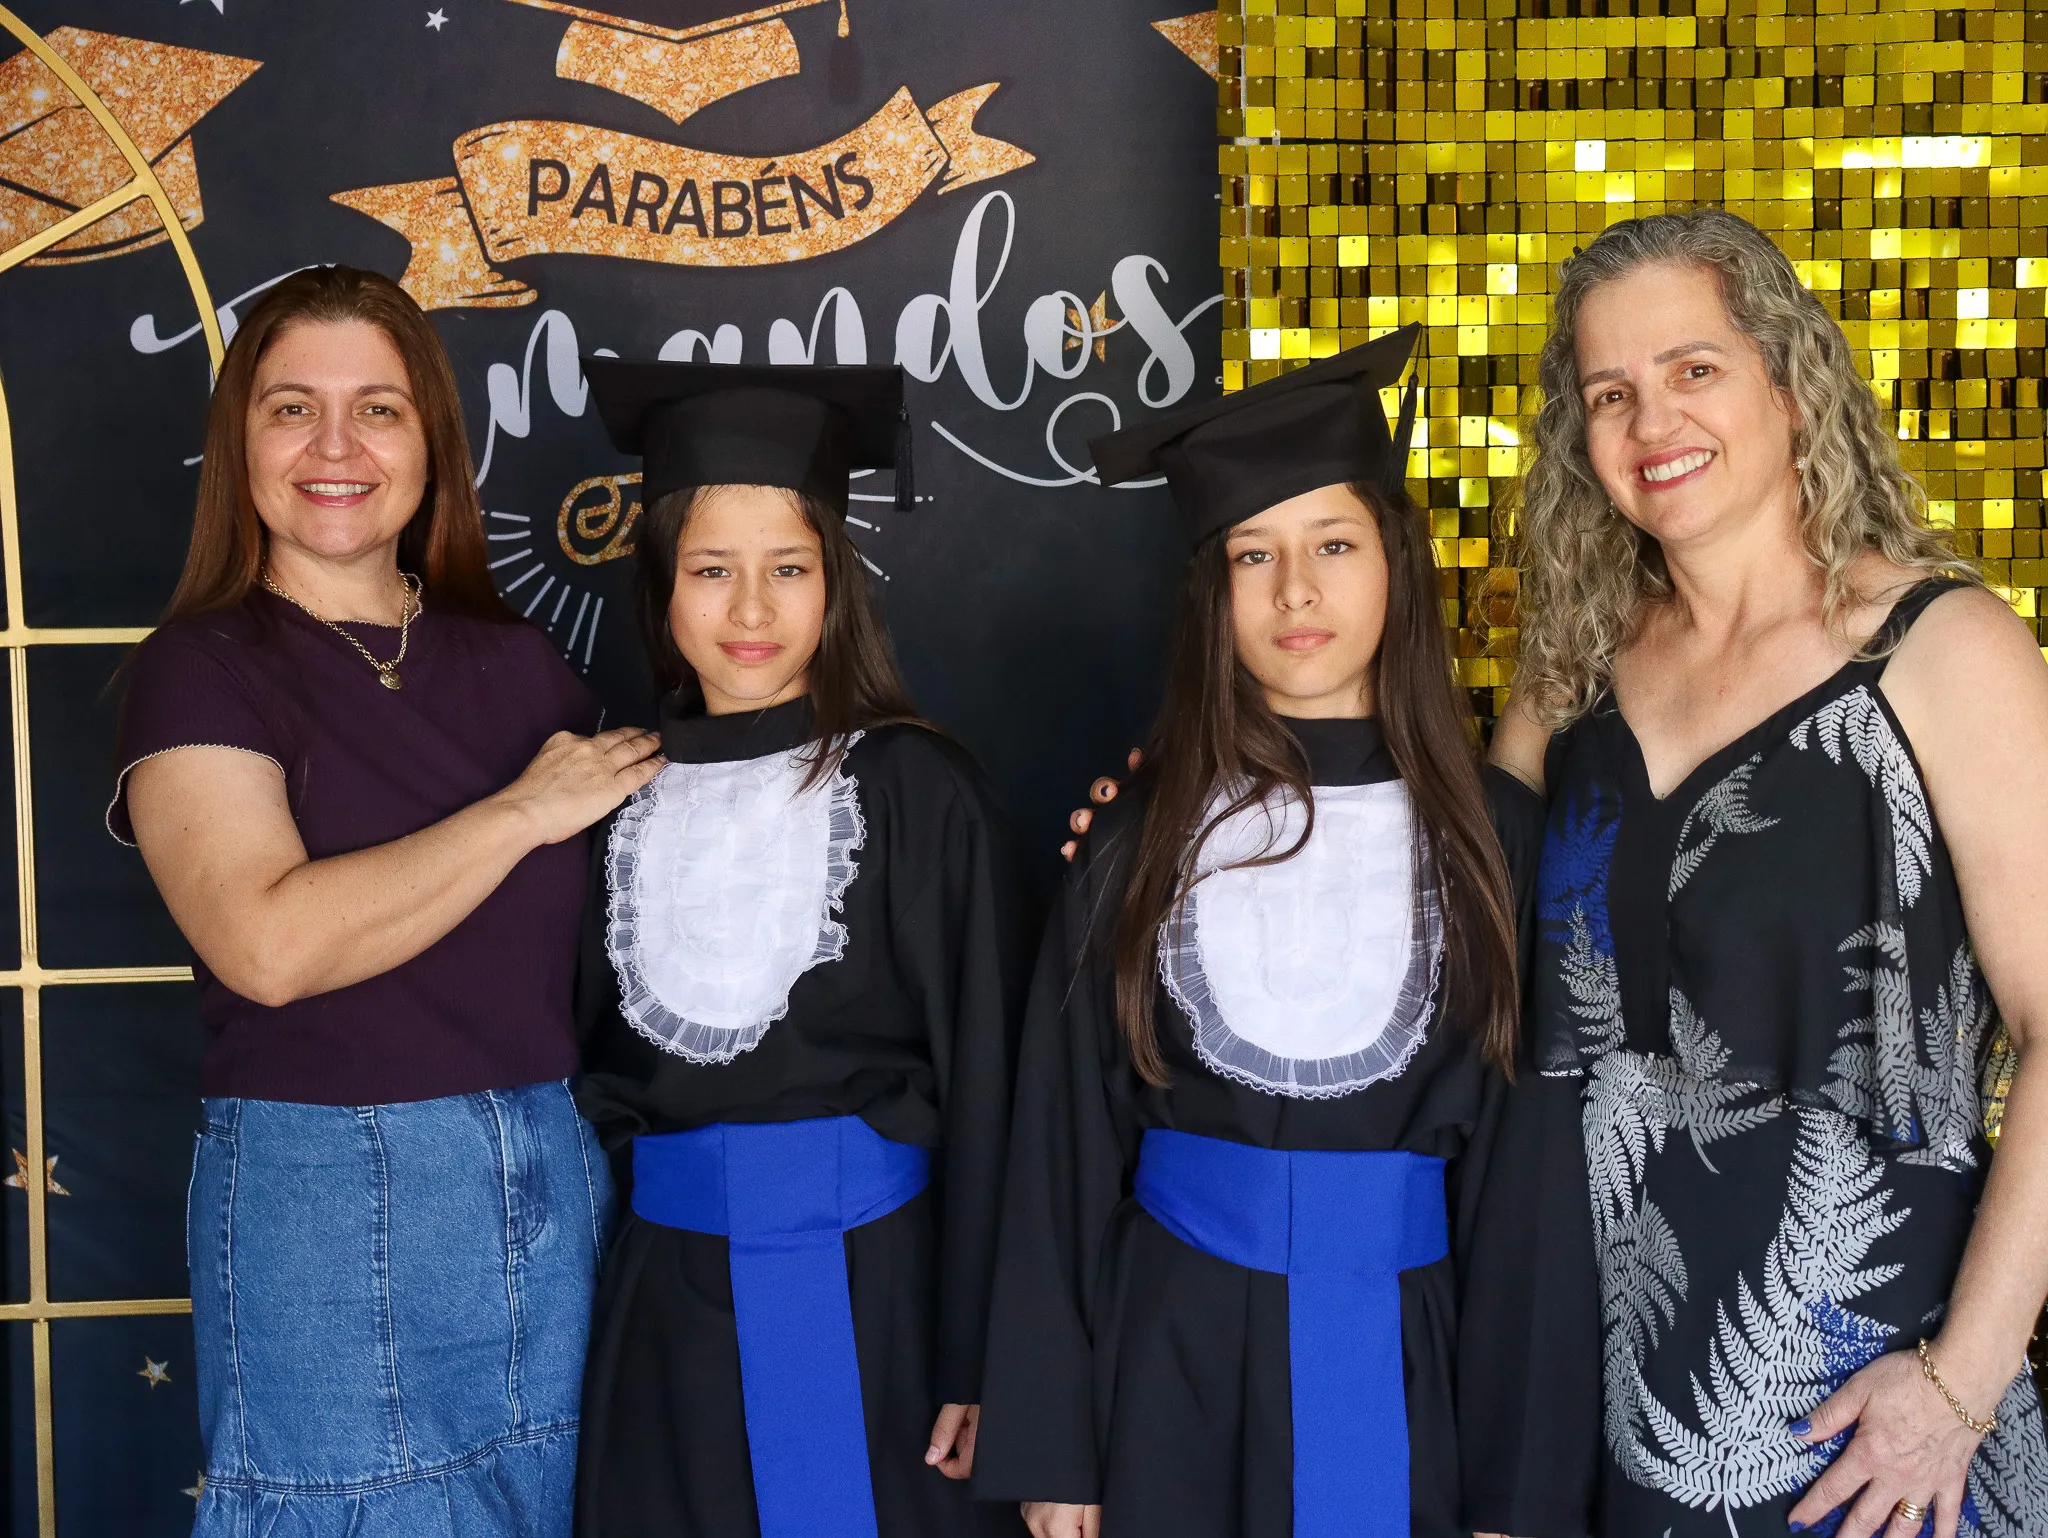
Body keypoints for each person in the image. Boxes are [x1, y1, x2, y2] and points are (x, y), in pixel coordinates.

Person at [1487, 209, 2048, 1538]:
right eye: (1609, 393)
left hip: (1868, 1419)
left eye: (1693, 368)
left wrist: (1958, 1382)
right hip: (1586, 1396)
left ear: (1790, 383)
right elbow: (1429, 928)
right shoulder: (1566, 681)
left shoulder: (1939, 649)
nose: (1651, 421)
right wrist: (1166, 818)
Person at [110, 266, 662, 1534]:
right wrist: (520, 812)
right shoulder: (203, 667)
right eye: (291, 408)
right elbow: (266, 942)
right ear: (238, 444)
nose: (336, 447)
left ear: (431, 443)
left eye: (377, 408)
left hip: (551, 1174)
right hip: (328, 1193)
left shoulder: (522, 665)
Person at [973, 326, 1546, 1538]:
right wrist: (1053, 1444)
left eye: (1332, 543)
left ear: (1394, 561)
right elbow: (1060, 1145)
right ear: (1209, 591)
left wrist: (1514, 1488)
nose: (1295, 591)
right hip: (1165, 1356)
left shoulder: (1495, 832)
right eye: (1253, 553)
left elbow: (1525, 1189)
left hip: (1406, 1354)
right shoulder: (1139, 829)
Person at [570, 359, 1036, 1538]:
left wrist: (986, 1354)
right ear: (659, 585)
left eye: (787, 567)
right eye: (710, 570)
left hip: (884, 1305)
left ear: (835, 581)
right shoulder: (606, 803)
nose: (749, 610)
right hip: (666, 1318)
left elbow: (995, 1086)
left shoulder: (915, 788)